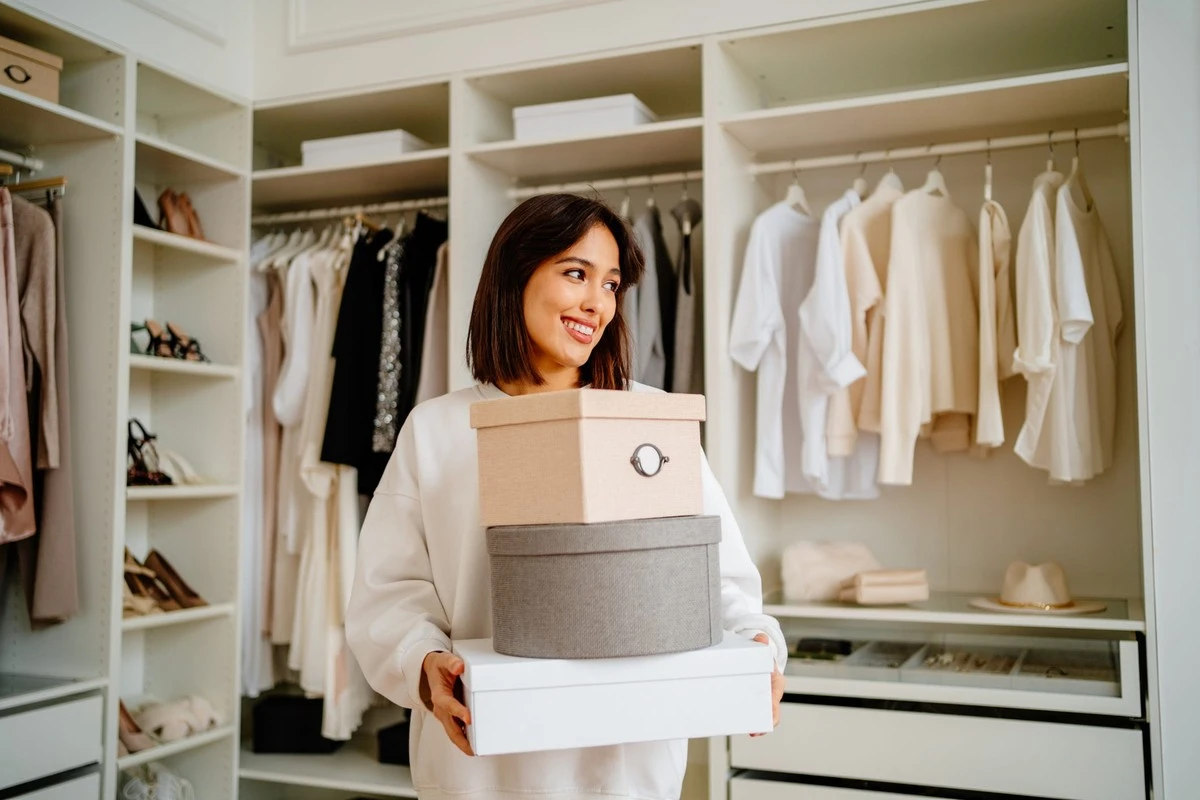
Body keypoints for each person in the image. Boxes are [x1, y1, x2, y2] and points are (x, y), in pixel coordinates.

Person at [346, 193, 786, 800]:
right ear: (514, 275)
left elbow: (720, 579)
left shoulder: (653, 419)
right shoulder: (437, 429)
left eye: (610, 284)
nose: (596, 303)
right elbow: (388, 592)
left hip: (626, 764)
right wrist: (424, 663)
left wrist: (758, 646)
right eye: (575, 274)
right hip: (484, 765)